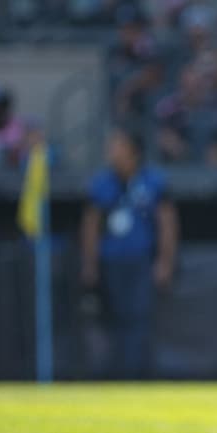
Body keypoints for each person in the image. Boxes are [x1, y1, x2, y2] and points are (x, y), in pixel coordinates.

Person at [80, 127, 179, 379]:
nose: (111, 151)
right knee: (112, 319)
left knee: (139, 318)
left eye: (117, 145)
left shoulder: (152, 180)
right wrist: (90, 265)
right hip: (110, 261)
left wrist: (165, 261)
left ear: (133, 151)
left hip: (141, 261)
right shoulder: (102, 182)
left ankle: (137, 375)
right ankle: (112, 375)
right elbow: (91, 224)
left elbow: (167, 222)